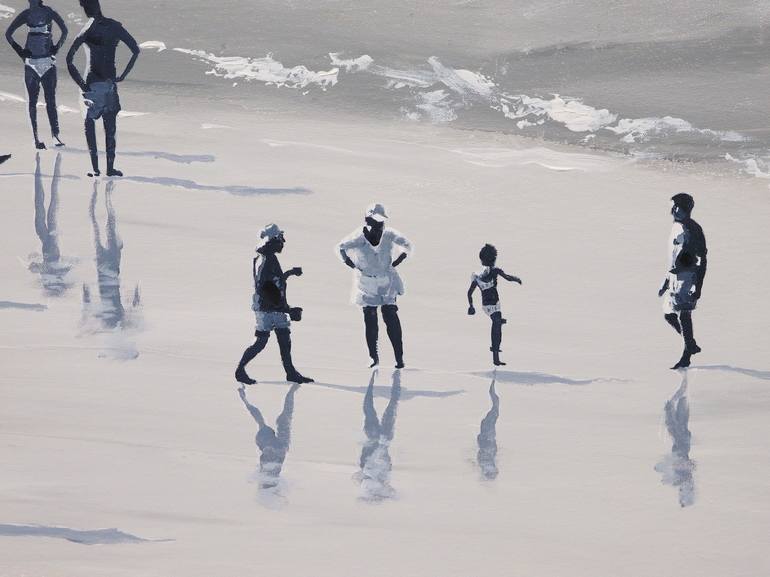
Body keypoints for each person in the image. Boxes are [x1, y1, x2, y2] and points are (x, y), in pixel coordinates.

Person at [66, 0, 140, 177]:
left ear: (86, 9)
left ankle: (95, 168)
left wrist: (81, 84)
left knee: (89, 124)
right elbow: (135, 50)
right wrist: (122, 76)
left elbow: (69, 59)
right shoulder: (115, 26)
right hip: (110, 85)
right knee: (110, 128)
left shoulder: (88, 29)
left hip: (93, 83)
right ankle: (110, 168)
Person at [235, 224, 313, 385]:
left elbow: (271, 283)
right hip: (267, 308)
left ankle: (290, 372)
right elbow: (265, 289)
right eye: (280, 239)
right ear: (272, 241)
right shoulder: (266, 260)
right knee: (261, 341)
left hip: (270, 307)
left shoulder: (266, 257)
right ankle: (240, 370)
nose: (283, 243)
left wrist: (289, 273)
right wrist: (287, 309)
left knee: (284, 338)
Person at [338, 204, 412, 368]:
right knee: (370, 321)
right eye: (375, 222)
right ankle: (373, 357)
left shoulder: (389, 235)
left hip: (387, 283)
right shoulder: (358, 238)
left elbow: (407, 245)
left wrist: (397, 261)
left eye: (381, 223)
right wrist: (351, 264)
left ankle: (399, 358)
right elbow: (340, 248)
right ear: (367, 221)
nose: (379, 226)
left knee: (391, 319)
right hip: (367, 285)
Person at [5, 0, 68, 149]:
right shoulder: (47, 12)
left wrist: (21, 51)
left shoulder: (28, 14)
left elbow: (8, 34)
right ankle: (51, 137)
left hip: (35, 63)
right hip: (43, 63)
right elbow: (64, 31)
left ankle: (42, 138)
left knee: (36, 103)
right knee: (47, 102)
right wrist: (55, 48)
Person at [658, 193, 707, 369]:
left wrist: (698, 285)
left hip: (688, 277)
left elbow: (702, 258)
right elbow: (673, 258)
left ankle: (686, 355)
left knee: (684, 315)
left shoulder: (693, 229)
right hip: (674, 277)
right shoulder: (676, 227)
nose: (671, 210)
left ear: (686, 209)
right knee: (668, 314)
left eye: (675, 207)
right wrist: (666, 280)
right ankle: (690, 343)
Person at [238, 383, 300, 491]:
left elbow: (258, 417)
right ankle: (291, 392)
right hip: (276, 449)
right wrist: (245, 400)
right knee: (284, 418)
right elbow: (259, 418)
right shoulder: (273, 444)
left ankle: (291, 392)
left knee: (285, 418)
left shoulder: (267, 442)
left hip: (275, 450)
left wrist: (245, 400)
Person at [467, 244, 522, 366]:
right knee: (496, 327)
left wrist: (471, 306)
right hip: (492, 305)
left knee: (497, 324)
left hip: (490, 304)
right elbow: (507, 278)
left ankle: (496, 353)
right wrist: (517, 279)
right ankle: (496, 358)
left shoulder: (477, 276)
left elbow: (470, 293)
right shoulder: (494, 271)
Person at [356, 369, 401, 502]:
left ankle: (374, 380)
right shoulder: (380, 476)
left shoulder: (372, 476)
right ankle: (384, 380)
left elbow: (367, 459)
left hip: (377, 438)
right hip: (381, 439)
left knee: (376, 408)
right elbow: (385, 461)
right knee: (384, 408)